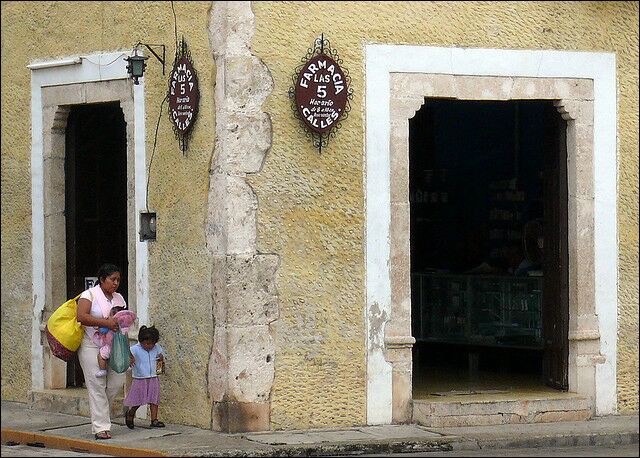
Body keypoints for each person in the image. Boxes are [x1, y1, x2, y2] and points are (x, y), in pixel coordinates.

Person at [76, 263, 127, 440]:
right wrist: (106, 323)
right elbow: (81, 316)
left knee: (116, 382)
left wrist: (128, 351)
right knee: (97, 385)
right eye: (112, 279)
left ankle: (101, 414)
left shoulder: (119, 298)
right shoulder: (88, 295)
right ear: (102, 279)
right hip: (91, 345)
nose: (116, 283)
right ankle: (101, 427)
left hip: (114, 346)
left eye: (118, 280)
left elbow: (123, 326)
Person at [124, 325, 167, 429]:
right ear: (141, 341)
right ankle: (131, 413)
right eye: (147, 343)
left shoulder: (157, 348)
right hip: (140, 378)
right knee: (138, 399)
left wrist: (161, 357)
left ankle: (154, 419)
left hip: (153, 377)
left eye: (152, 344)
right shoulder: (134, 349)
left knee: (154, 399)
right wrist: (130, 359)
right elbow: (127, 358)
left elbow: (161, 356)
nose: (149, 346)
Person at [92, 307, 137, 378]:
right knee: (121, 358)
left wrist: (102, 324)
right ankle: (126, 366)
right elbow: (126, 342)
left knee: (101, 356)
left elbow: (101, 330)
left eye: (110, 315)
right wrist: (129, 354)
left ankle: (103, 370)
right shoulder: (124, 330)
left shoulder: (109, 327)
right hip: (120, 348)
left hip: (109, 347)